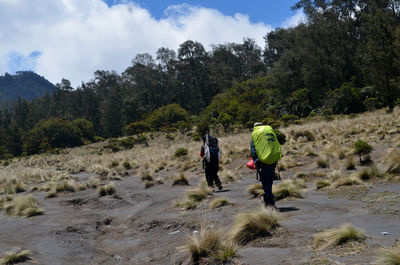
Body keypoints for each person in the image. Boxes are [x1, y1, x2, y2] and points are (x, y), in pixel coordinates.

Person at [250, 122, 282, 208]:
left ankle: (270, 202)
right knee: (269, 181)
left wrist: (255, 161)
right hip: (272, 160)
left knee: (265, 182)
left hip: (262, 162)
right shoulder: (268, 132)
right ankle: (267, 198)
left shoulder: (256, 134)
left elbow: (253, 150)